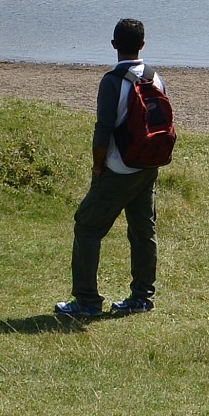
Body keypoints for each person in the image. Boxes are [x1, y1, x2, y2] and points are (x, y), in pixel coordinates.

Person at [57, 18, 172, 321]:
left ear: (113, 45)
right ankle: (142, 297)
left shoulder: (112, 81)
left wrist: (97, 167)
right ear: (142, 45)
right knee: (143, 230)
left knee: (87, 226)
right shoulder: (155, 77)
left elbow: (102, 131)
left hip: (118, 169)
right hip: (148, 165)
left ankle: (87, 301)